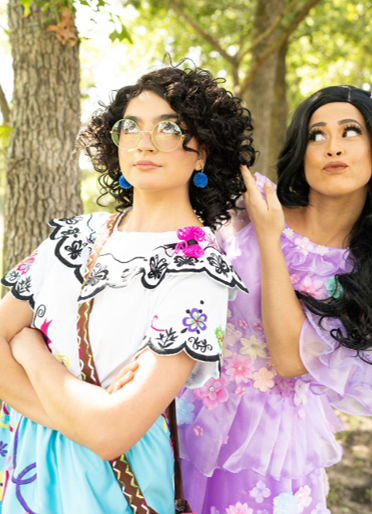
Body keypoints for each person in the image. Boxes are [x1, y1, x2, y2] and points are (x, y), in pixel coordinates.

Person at [0, 65, 255, 514]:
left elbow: (111, 434)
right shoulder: (74, 236)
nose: (145, 142)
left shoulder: (198, 267)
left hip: (115, 484)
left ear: (202, 153)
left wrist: (28, 348)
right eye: (131, 126)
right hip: (29, 467)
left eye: (170, 128)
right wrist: (81, 417)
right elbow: (96, 426)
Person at [177, 84, 372, 513]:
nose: (332, 147)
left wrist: (270, 240)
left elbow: (289, 359)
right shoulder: (253, 204)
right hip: (182, 411)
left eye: (350, 132)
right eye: (316, 135)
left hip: (266, 450)